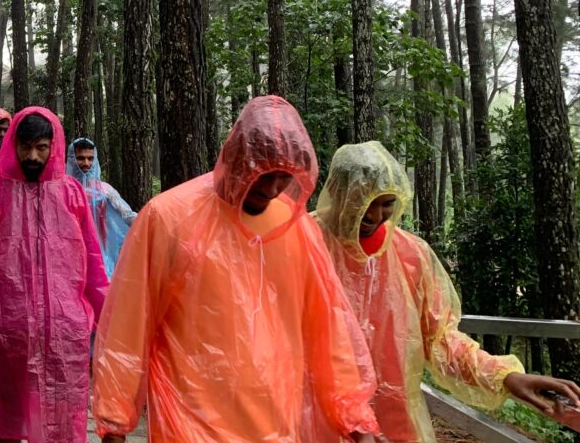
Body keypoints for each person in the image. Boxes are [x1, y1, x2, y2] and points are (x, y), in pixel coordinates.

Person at [92, 96, 380, 443]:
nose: (272, 189)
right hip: (190, 424)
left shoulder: (297, 228)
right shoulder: (168, 218)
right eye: (264, 174)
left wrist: (355, 418)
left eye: (283, 177)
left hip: (277, 424)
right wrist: (114, 419)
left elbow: (328, 326)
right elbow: (129, 324)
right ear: (234, 156)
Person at [305, 141, 580, 442]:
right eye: (363, 199)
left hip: (397, 425)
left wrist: (507, 377)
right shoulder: (302, 242)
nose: (375, 214)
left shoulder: (410, 256)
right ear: (338, 191)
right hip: (315, 424)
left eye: (386, 203)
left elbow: (442, 341)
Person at [0, 109, 108, 443]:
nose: (33, 156)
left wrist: (110, 324)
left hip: (63, 338)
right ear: (13, 145)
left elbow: (93, 264)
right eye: (25, 147)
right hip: (9, 336)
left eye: (41, 147)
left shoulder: (71, 195)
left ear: (54, 146)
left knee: (61, 426)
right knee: (9, 424)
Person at [66, 138, 139, 277]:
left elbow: (127, 215)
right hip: (70, 256)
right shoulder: (61, 189)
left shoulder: (105, 190)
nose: (86, 163)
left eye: (90, 158)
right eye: (80, 158)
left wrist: (149, 223)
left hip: (101, 254)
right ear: (71, 159)